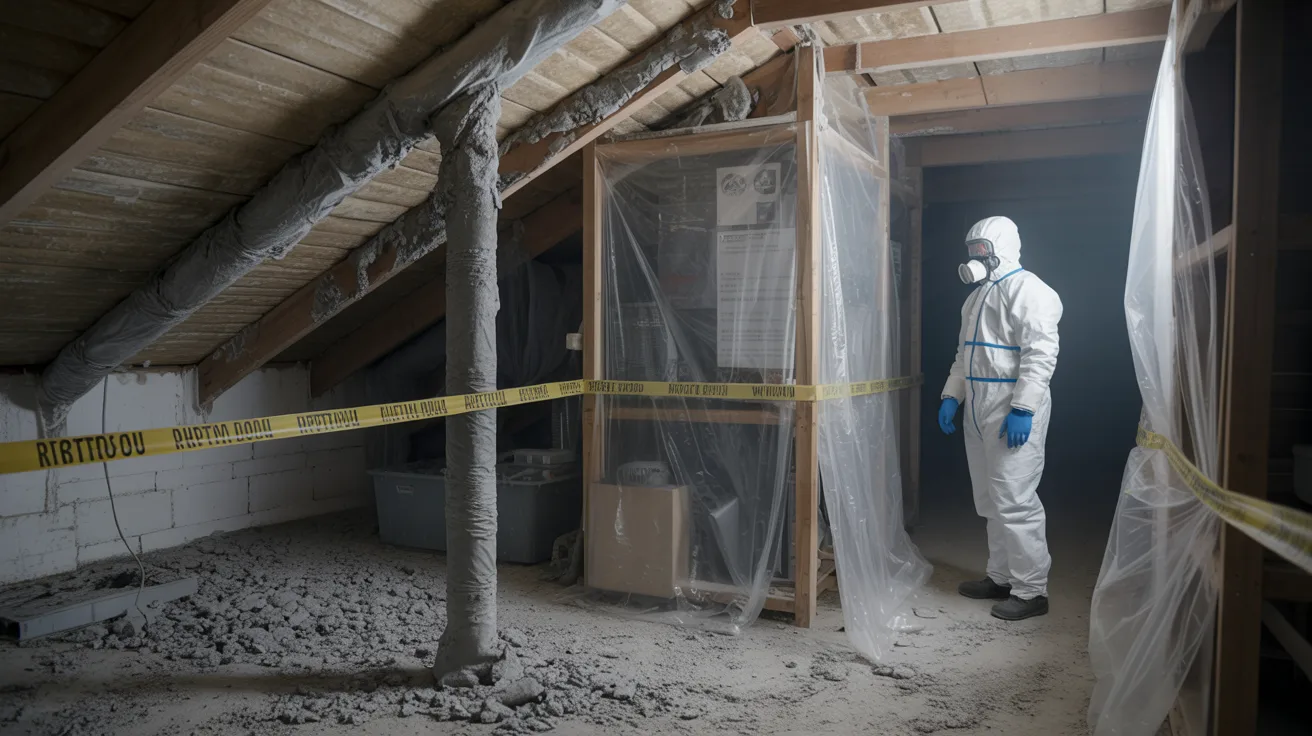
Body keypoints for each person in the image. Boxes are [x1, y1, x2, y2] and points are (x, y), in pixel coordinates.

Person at [937, 216, 1062, 621]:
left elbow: (1040, 356)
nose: (975, 259)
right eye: (972, 252)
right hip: (977, 405)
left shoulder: (1031, 291)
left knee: (1015, 500)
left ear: (1000, 249)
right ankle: (1001, 577)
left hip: (1009, 406)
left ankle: (1031, 591)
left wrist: (1023, 408)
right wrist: (951, 396)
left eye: (982, 252)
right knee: (990, 500)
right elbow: (963, 356)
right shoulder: (974, 299)